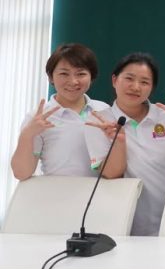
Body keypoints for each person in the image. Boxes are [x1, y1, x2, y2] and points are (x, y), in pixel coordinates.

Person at [85, 53, 165, 236]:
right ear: (115, 80)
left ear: (152, 88)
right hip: (136, 219)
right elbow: (111, 173)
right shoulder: (99, 121)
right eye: (129, 78)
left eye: (144, 82)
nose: (135, 87)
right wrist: (119, 142)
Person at [12, 44, 109, 180]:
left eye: (81, 74)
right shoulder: (38, 117)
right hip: (56, 191)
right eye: (64, 74)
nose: (73, 81)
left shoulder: (104, 110)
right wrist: (27, 134)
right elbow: (21, 173)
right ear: (51, 77)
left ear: (91, 77)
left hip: (101, 191)